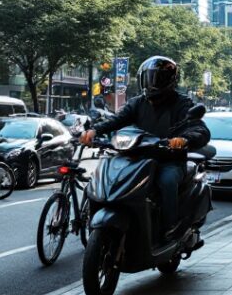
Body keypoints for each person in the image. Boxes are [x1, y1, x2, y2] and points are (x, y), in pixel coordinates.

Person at [81, 56, 211, 239]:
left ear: (170, 80)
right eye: (149, 78)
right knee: (106, 176)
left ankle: (170, 227)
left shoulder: (182, 104)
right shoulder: (137, 102)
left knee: (167, 181)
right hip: (137, 158)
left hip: (169, 160)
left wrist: (183, 140)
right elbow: (117, 120)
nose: (152, 83)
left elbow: (200, 130)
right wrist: (95, 131)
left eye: (158, 78)